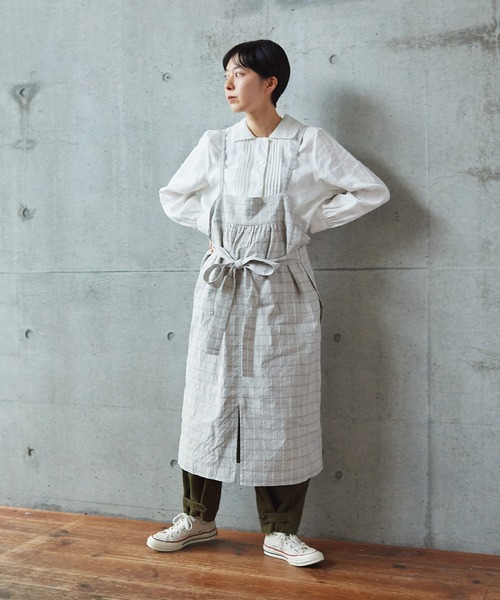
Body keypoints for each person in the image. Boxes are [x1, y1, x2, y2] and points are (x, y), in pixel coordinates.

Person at [147, 39, 389, 567]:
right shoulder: (217, 144)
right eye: (226, 75)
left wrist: (307, 221)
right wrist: (212, 226)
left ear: (270, 82)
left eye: (238, 74)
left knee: (283, 404)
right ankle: (197, 517)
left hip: (283, 286)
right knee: (208, 398)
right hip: (222, 283)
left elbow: (370, 191)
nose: (228, 84)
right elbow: (174, 196)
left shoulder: (309, 142)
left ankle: (281, 531)